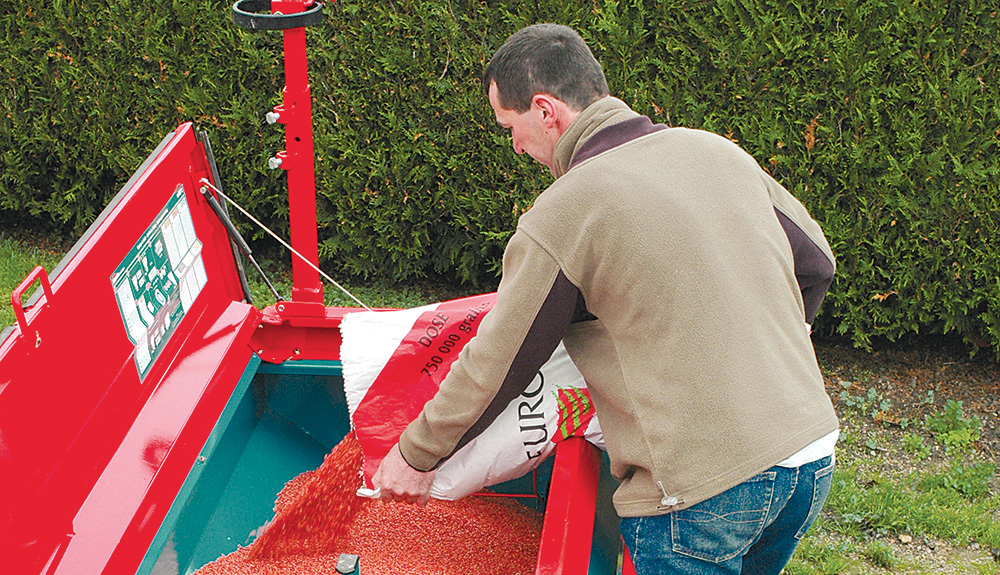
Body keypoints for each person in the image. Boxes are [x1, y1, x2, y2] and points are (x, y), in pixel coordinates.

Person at [373, 23, 839, 575]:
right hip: (808, 455)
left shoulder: (566, 211)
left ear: (546, 111)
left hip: (700, 493)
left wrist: (415, 454)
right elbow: (816, 263)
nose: (515, 145)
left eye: (511, 126)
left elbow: (500, 361)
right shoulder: (714, 151)